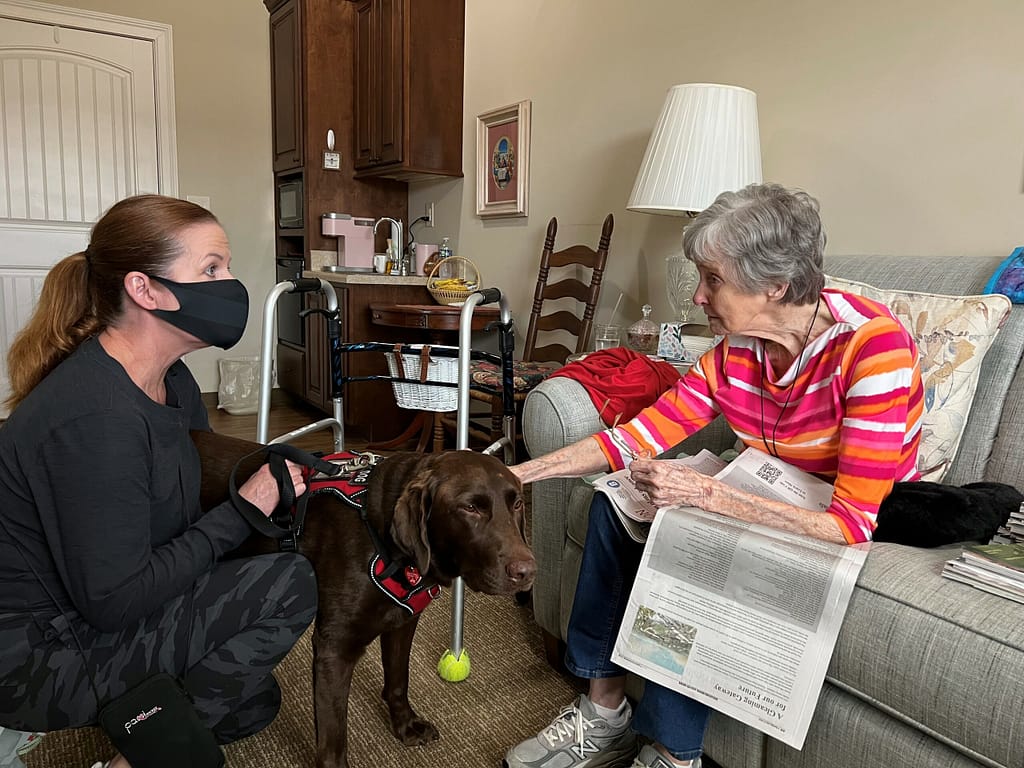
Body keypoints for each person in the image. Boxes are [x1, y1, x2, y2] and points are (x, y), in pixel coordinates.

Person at [504, 183, 924, 768]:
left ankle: (674, 754)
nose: (699, 296)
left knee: (693, 530)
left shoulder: (872, 347)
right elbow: (635, 438)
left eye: (713, 279)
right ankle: (605, 715)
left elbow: (851, 521)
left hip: (858, 508)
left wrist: (707, 492)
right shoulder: (736, 350)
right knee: (614, 501)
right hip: (773, 479)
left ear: (775, 284)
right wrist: (513, 475)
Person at [0, 195, 317, 768]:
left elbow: (182, 509)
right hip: (38, 654)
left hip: (93, 608)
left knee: (253, 704)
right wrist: (241, 512)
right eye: (211, 269)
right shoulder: (96, 417)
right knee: (288, 585)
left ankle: (147, 715)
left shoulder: (172, 381)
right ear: (145, 291)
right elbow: (115, 605)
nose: (230, 284)